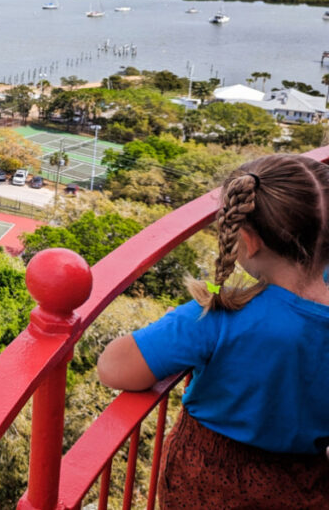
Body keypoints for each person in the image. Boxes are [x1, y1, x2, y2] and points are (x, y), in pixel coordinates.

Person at [97, 154, 329, 510]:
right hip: (306, 485)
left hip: (209, 487)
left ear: (249, 241)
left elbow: (113, 368)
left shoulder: (223, 316)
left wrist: (184, 318)